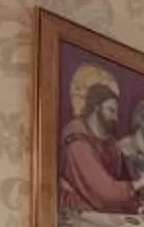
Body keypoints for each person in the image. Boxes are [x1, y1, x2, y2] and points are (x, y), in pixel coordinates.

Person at [57, 65, 138, 213]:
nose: (116, 118)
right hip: (76, 215)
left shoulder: (111, 144)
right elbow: (102, 191)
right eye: (111, 110)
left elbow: (120, 180)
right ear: (96, 107)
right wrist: (137, 185)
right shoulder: (77, 140)